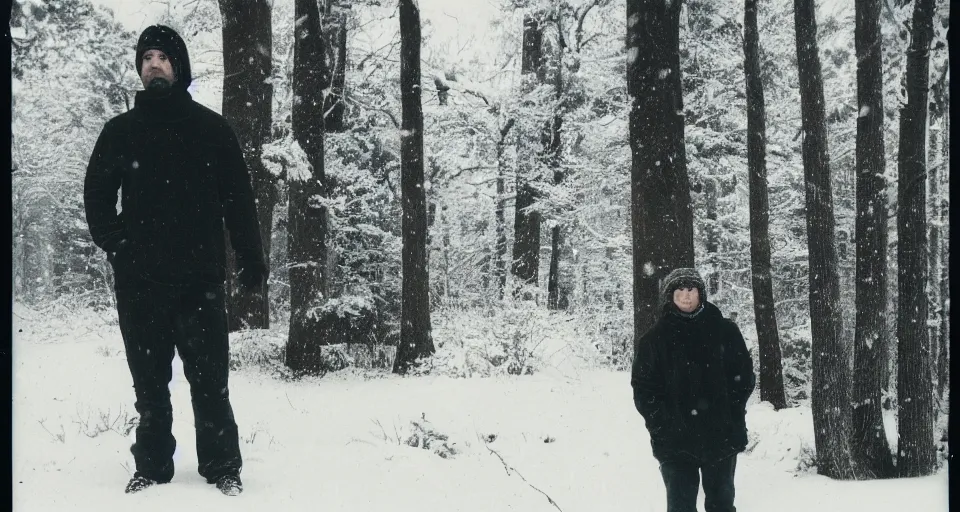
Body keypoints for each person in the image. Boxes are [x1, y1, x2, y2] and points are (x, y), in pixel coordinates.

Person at [84, 24, 267, 496]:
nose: (153, 64)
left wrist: (250, 257)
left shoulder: (210, 130)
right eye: (146, 57)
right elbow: (97, 197)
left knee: (210, 384)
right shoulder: (121, 132)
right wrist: (119, 246)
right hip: (140, 282)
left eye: (163, 56)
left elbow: (239, 200)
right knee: (149, 388)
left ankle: (223, 467)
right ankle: (152, 467)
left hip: (198, 279)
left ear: (179, 66)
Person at [631, 268, 756, 512]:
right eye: (680, 291)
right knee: (680, 507)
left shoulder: (725, 331)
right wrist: (662, 425)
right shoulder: (654, 340)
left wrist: (729, 412)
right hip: (674, 440)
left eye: (691, 290)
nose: (686, 297)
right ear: (670, 295)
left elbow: (743, 377)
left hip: (721, 436)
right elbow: (644, 390)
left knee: (721, 505)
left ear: (701, 294)